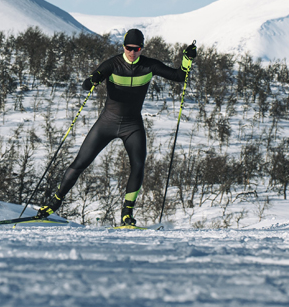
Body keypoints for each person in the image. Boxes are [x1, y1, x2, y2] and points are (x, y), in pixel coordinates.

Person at [35, 28, 197, 226]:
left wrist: (187, 59)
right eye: (129, 48)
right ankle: (53, 204)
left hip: (132, 125)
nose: (132, 52)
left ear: (141, 48)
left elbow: (180, 76)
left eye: (137, 48)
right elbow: (88, 84)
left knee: (138, 166)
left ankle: (127, 215)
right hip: (107, 122)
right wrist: (93, 80)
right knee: (80, 163)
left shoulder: (149, 65)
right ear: (123, 47)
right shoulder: (113, 64)